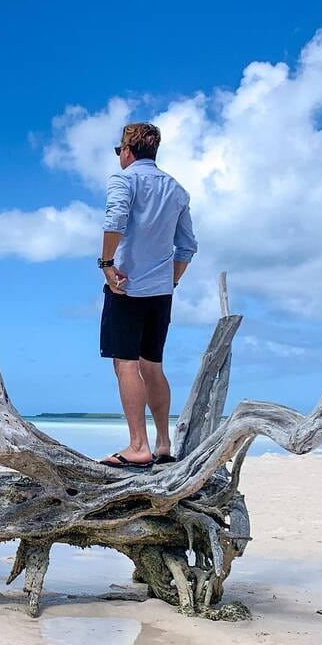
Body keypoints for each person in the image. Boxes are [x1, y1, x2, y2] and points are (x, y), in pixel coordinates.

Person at [97, 121, 197, 468]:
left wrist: (107, 264)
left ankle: (138, 445)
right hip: (161, 292)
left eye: (119, 150)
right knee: (152, 366)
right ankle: (163, 444)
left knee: (125, 363)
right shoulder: (177, 189)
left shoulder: (123, 180)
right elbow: (187, 246)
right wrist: (172, 281)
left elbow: (115, 221)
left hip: (125, 287)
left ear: (127, 151)